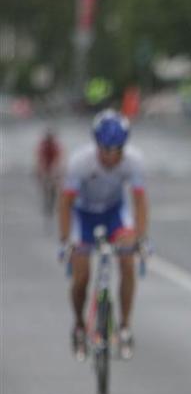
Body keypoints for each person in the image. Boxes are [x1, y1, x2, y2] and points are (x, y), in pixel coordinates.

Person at [59, 109, 149, 361]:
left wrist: (141, 238)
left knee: (127, 262)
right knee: (81, 275)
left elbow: (140, 201)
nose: (110, 157)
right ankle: (79, 325)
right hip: (84, 214)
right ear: (96, 145)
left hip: (114, 213)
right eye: (104, 150)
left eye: (116, 151)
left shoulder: (134, 161)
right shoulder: (80, 161)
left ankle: (125, 327)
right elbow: (65, 203)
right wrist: (66, 241)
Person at [36, 128, 63, 223]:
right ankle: (47, 204)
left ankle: (52, 204)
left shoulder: (55, 146)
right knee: (46, 188)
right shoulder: (43, 145)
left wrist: (55, 171)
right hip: (46, 168)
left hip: (52, 168)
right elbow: (40, 158)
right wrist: (41, 171)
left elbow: (58, 158)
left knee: (53, 188)